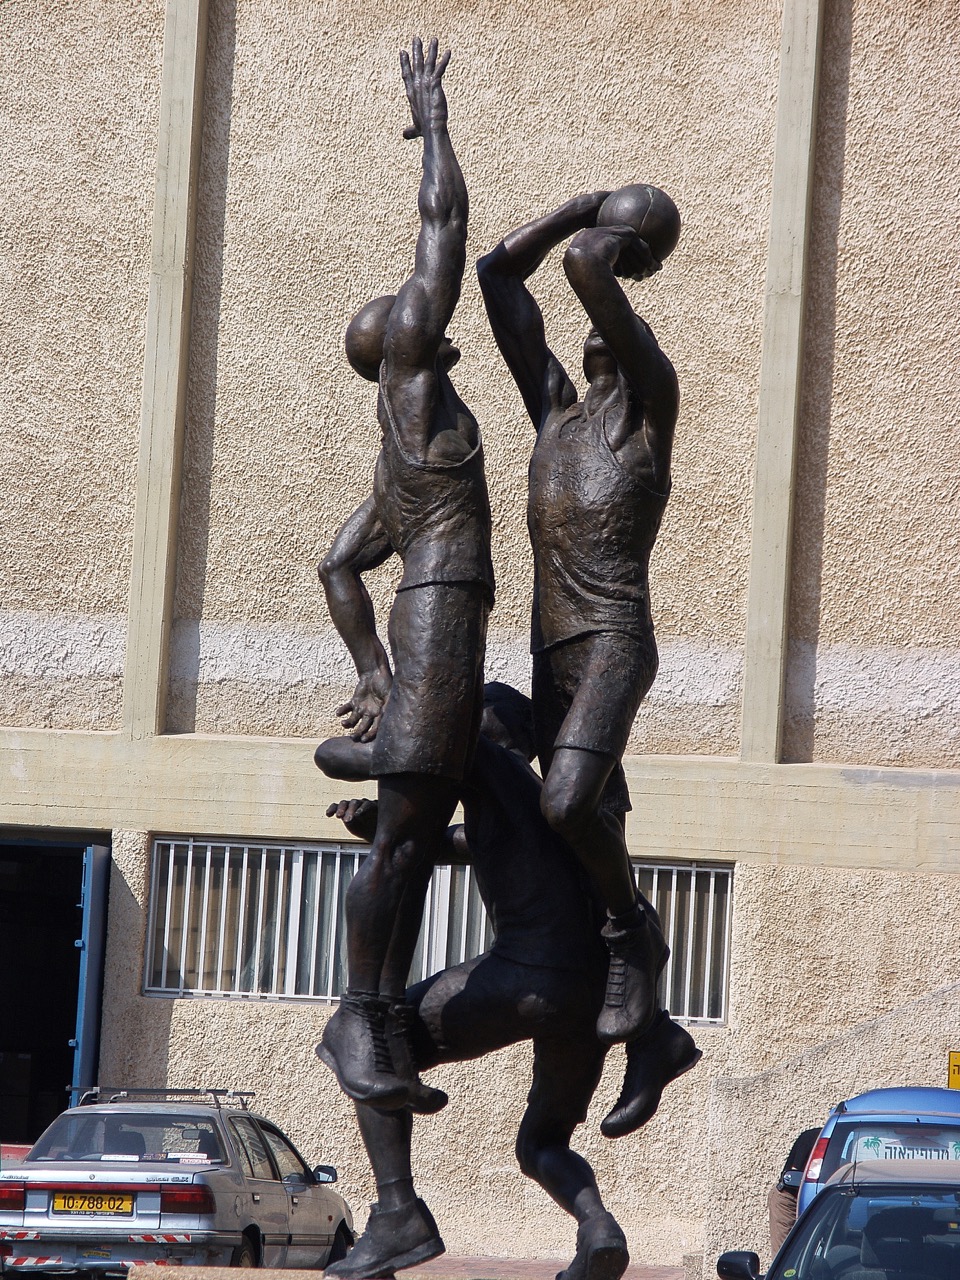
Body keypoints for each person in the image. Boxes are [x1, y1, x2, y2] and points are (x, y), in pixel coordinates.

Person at [314, 684, 700, 1280]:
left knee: (363, 1037)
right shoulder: (548, 797)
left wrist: (393, 725)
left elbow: (333, 756)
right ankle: (598, 1228)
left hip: (529, 976)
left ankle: (398, 1214)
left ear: (491, 727)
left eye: (471, 712)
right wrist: (378, 825)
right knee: (542, 1144)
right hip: (593, 998)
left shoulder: (482, 759)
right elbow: (454, 843)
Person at [316, 39, 494, 1111]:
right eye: (403, 305)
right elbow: (444, 227)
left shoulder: (398, 468)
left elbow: (337, 565)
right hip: (440, 617)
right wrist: (434, 124)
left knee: (416, 836)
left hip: (432, 628)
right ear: (397, 343)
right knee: (402, 839)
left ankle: (377, 1015)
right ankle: (361, 1015)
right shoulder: (414, 383)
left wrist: (370, 669)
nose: (416, 300)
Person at [477, 186, 681, 1046]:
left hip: (613, 642)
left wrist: (618, 231)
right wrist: (578, 205)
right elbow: (496, 275)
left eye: (618, 320)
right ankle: (645, 1036)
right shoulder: (555, 416)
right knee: (472, 731)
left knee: (565, 804)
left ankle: (633, 932)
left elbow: (585, 266)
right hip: (551, 653)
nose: (601, 326)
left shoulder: (647, 407)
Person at [768, 1127, 820, 1256]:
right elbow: (794, 1174)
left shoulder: (842, 1142)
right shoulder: (811, 1138)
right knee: (785, 1252)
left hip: (815, 1202)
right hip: (788, 1199)